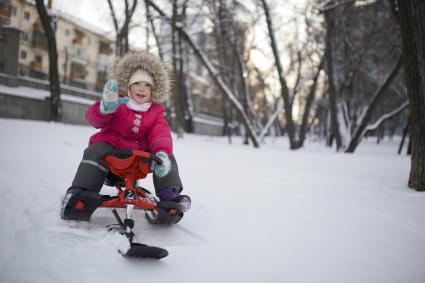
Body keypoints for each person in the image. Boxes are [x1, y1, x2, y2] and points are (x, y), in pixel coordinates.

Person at [61, 51, 191, 221]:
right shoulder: (117, 103)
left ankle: (170, 195)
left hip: (141, 157)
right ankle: (81, 192)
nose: (142, 88)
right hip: (112, 152)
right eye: (137, 83)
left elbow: (160, 133)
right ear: (128, 86)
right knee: (95, 150)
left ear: (154, 90)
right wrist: (105, 108)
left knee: (167, 156)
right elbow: (94, 120)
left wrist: (161, 152)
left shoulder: (156, 111)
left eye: (147, 85)